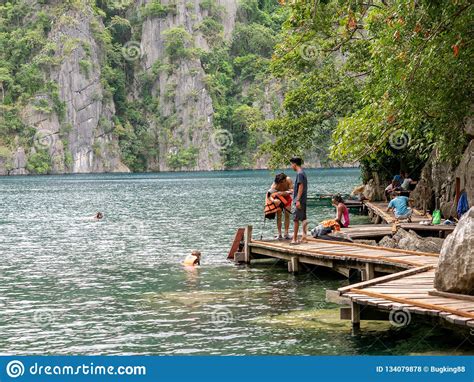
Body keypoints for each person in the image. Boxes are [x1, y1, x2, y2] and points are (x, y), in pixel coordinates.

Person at [267, 173, 293, 240]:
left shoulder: (288, 180)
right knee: (279, 216)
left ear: (285, 179)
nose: (280, 183)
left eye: (282, 182)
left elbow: (292, 190)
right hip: (278, 199)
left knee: (287, 215)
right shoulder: (275, 184)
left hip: (287, 198)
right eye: (279, 182)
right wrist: (273, 201)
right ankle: (279, 234)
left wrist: (284, 192)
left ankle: (286, 233)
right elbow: (269, 195)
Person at [290, 157, 308, 245]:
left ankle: (294, 239)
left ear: (294, 164)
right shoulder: (303, 172)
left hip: (299, 200)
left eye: (291, 164)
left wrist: (297, 200)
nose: (291, 166)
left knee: (296, 219)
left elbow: (301, 186)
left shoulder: (299, 174)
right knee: (303, 218)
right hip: (303, 199)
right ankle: (304, 237)